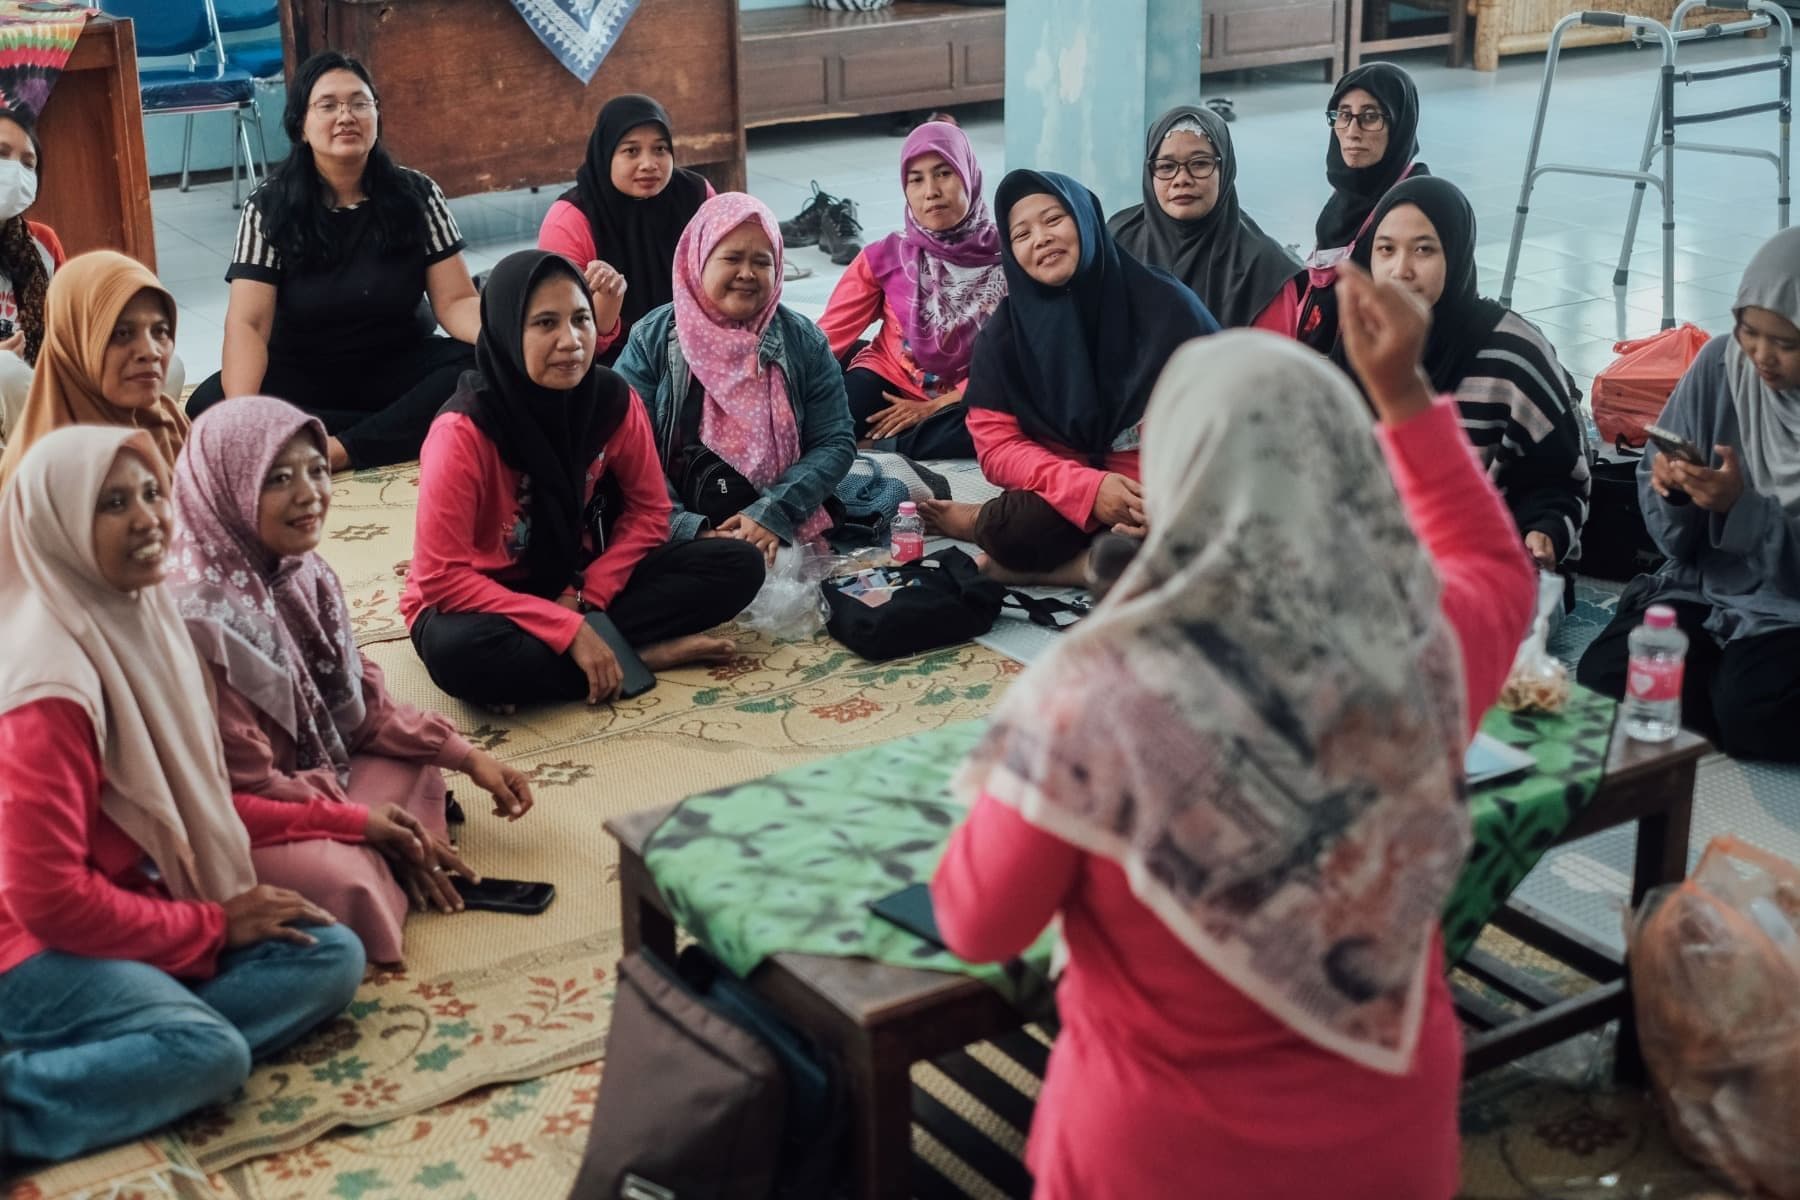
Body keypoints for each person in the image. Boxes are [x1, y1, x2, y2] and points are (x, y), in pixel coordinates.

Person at [930, 266, 1537, 1200]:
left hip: (1159, 1160)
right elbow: (1492, 563)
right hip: (1385, 1147)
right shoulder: (1419, 642)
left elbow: (978, 923)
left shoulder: (1094, 698)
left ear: (1176, 474)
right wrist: (1404, 393)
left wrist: (1014, 776)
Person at [0, 426, 438, 1163]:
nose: (147, 518)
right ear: (61, 526)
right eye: (113, 503)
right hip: (29, 950)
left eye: (149, 493)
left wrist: (352, 819)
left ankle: (136, 1046)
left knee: (329, 955)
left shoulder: (139, 623)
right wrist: (207, 930)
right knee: (211, 1055)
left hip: (130, 904)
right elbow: (46, 899)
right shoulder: (48, 689)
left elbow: (196, 803)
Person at [169, 396, 535, 961]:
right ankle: (387, 860)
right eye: (279, 478)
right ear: (229, 487)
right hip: (232, 815)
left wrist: (467, 756)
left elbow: (363, 708)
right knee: (344, 879)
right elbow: (241, 791)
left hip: (306, 777)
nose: (309, 493)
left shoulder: (300, 571)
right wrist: (355, 822)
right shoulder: (199, 620)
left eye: (317, 470)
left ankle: (394, 851)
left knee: (415, 766)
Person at [405, 250, 765, 710]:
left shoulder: (611, 402)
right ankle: (639, 656)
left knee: (738, 565)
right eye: (545, 324)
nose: (571, 341)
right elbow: (441, 579)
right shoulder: (464, 431)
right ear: (505, 331)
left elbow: (649, 513)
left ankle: (554, 668)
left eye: (581, 319)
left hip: (572, 579)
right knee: (460, 654)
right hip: (484, 600)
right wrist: (566, 627)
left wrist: (584, 595)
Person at [919, 170, 1218, 586]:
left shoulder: (1167, 309)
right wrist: (1089, 491)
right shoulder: (1006, 336)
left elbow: (1222, 416)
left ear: (1086, 219)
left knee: (1224, 545)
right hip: (1067, 490)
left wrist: (1165, 502)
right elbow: (996, 447)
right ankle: (981, 523)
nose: (1041, 238)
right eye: (1021, 234)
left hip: (1158, 487)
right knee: (1016, 529)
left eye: (1054, 219)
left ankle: (1059, 572)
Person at [186, 51, 480, 472]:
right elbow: (249, 324)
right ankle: (391, 430)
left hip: (397, 364)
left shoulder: (418, 194)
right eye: (328, 105)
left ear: (376, 115)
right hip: (305, 371)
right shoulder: (268, 208)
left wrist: (505, 337)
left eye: (360, 103)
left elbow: (455, 302)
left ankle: (336, 447)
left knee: (481, 367)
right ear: (301, 125)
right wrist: (243, 414)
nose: (346, 116)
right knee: (211, 404)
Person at [1576, 227, 1800, 762]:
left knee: (1754, 714)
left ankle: (1734, 693)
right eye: (1750, 332)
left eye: (1786, 344)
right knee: (1605, 674)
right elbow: (1674, 541)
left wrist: (1741, 509)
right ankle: (1728, 688)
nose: (1762, 357)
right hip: (1705, 586)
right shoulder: (1721, 364)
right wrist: (1676, 491)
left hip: (1788, 606)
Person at [1342, 176, 1589, 569]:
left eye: (1424, 250)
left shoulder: (1513, 355)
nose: (1400, 270)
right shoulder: (1356, 344)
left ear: (1456, 254)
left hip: (1485, 565)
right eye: (1385, 249)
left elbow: (1560, 481)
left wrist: (1544, 531)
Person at [613, 193, 856, 562]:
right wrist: (691, 531)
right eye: (731, 258)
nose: (747, 273)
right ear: (698, 259)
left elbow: (835, 441)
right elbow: (626, 450)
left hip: (778, 522)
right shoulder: (653, 338)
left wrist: (771, 514)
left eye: (762, 261)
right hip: (675, 524)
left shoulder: (803, 341)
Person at [817, 119, 1005, 458]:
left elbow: (1020, 357)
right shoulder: (884, 257)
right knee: (826, 422)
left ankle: (891, 445)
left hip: (973, 393)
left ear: (969, 175)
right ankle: (903, 439)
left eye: (943, 173)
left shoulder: (1008, 260)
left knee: (1019, 423)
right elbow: (826, 339)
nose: (930, 191)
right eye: (915, 180)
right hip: (888, 379)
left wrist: (934, 408)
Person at [537, 93, 713, 366]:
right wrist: (607, 303)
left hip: (696, 346)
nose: (649, 164)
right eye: (631, 151)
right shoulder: (571, 219)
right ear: (606, 153)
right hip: (607, 361)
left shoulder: (696, 195)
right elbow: (562, 334)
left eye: (660, 149)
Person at [1107, 104, 1302, 335]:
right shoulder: (1119, 237)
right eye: (1166, 167)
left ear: (1226, 169)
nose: (1181, 179)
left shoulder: (1263, 269)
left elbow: (1269, 366)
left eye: (1200, 163)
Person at [0, 251, 185, 491]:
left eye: (160, 331)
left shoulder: (169, 424)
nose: (150, 351)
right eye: (122, 333)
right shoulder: (40, 476)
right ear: (75, 340)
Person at [1296, 63, 1426, 354]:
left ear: (1399, 123)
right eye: (1343, 116)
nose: (1353, 132)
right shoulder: (1346, 197)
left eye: (1370, 117)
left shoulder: (1415, 206)